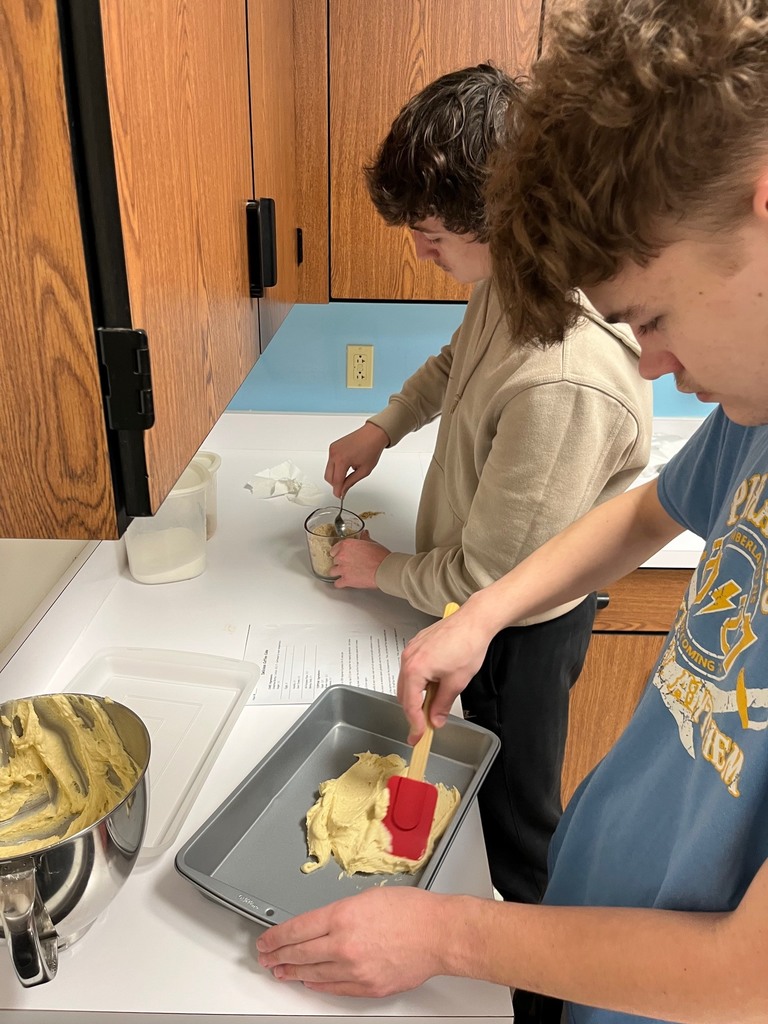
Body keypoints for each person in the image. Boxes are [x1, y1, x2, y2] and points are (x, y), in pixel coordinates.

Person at [255, 2, 768, 1022]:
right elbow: (645, 512)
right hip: (600, 923)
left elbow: (746, 976)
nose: (651, 367)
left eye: (652, 318)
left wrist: (447, 932)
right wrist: (479, 615)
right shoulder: (758, 420)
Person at [323, 64, 652, 908]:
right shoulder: (515, 280)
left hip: (521, 631)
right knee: (462, 785)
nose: (418, 250)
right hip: (479, 598)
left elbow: (487, 580)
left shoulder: (564, 378)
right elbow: (450, 366)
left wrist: (380, 568)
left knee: (514, 817)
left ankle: (528, 972)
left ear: (500, 217)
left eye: (431, 232)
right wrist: (383, 424)